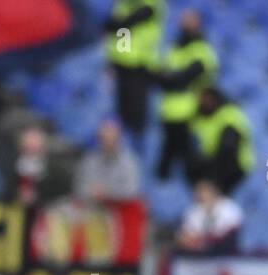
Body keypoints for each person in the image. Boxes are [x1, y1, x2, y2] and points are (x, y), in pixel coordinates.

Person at [154, 9, 217, 181]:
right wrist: (171, 78)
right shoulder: (174, 48)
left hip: (191, 115)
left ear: (198, 23)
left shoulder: (202, 49)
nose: (184, 24)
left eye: (189, 20)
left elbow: (184, 77)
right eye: (183, 20)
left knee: (191, 163)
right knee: (164, 164)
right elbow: (159, 76)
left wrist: (171, 78)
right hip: (168, 113)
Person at [103, 0, 166, 138]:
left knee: (137, 113)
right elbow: (121, 30)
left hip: (141, 66)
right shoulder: (123, 5)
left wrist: (118, 23)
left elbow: (123, 23)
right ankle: (125, 143)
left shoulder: (151, 5)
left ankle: (138, 146)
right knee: (122, 111)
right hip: (123, 65)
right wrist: (118, 57)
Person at [189, 87, 253, 194]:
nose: (203, 102)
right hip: (212, 161)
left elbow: (229, 146)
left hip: (235, 163)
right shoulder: (199, 117)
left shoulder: (229, 114)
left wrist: (212, 172)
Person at [75, 119, 142, 204]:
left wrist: (107, 192)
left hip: (121, 208)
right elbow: (79, 188)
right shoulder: (90, 160)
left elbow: (132, 190)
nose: (107, 142)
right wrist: (91, 192)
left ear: (119, 138)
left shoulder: (129, 161)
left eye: (112, 138)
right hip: (93, 208)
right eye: (103, 138)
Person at [177, 179, 243, 254]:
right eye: (198, 192)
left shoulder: (230, 207)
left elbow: (232, 232)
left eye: (204, 191)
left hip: (225, 250)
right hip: (198, 251)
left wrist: (207, 239)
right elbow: (186, 234)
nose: (200, 195)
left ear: (214, 192)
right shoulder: (193, 210)